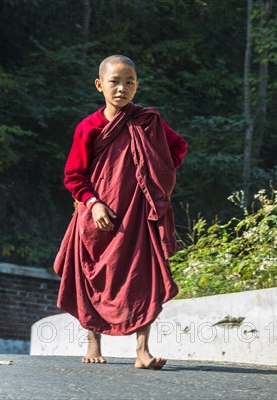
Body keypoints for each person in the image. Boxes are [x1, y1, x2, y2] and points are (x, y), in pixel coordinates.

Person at [54, 55, 187, 369]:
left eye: (129, 82)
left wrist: (154, 170)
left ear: (137, 86)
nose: (122, 89)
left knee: (145, 279)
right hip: (97, 216)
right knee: (91, 278)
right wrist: (93, 202)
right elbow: (74, 175)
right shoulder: (88, 127)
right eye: (114, 82)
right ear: (100, 85)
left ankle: (142, 351)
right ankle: (93, 342)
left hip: (137, 215)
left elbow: (177, 148)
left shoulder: (147, 121)